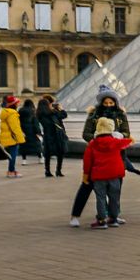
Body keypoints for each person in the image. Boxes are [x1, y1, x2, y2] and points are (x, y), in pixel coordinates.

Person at [70, 87, 134, 228]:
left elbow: (127, 133)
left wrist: (119, 136)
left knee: (115, 190)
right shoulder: (93, 115)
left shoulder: (121, 115)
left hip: (116, 155)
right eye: (106, 103)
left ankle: (113, 216)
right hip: (97, 154)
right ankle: (75, 215)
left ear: (115, 102)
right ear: (101, 103)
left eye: (111, 102)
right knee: (86, 186)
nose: (109, 105)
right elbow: (86, 134)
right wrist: (97, 139)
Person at [83, 117, 134, 229]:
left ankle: (102, 221)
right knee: (114, 197)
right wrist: (120, 136)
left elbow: (87, 161)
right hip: (115, 175)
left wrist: (85, 176)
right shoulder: (116, 142)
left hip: (99, 175)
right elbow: (130, 141)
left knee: (101, 198)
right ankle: (113, 219)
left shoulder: (93, 143)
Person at [37, 95, 68, 177]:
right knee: (60, 152)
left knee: (48, 154)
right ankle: (58, 171)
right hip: (57, 135)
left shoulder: (39, 114)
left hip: (48, 135)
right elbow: (64, 115)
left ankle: (47, 171)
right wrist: (60, 109)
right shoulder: (53, 112)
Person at [0, 95, 25, 178]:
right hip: (12, 137)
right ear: (14, 104)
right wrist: (20, 138)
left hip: (6, 136)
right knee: (13, 155)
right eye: (17, 103)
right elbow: (15, 127)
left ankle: (11, 170)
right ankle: (11, 171)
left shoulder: (5, 112)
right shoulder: (12, 113)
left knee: (11, 154)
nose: (18, 104)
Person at [18, 98, 42, 166]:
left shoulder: (20, 110)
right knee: (37, 145)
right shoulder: (32, 111)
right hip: (32, 131)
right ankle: (40, 158)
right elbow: (35, 122)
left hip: (23, 131)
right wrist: (38, 132)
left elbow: (18, 121)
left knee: (23, 146)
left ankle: (24, 160)